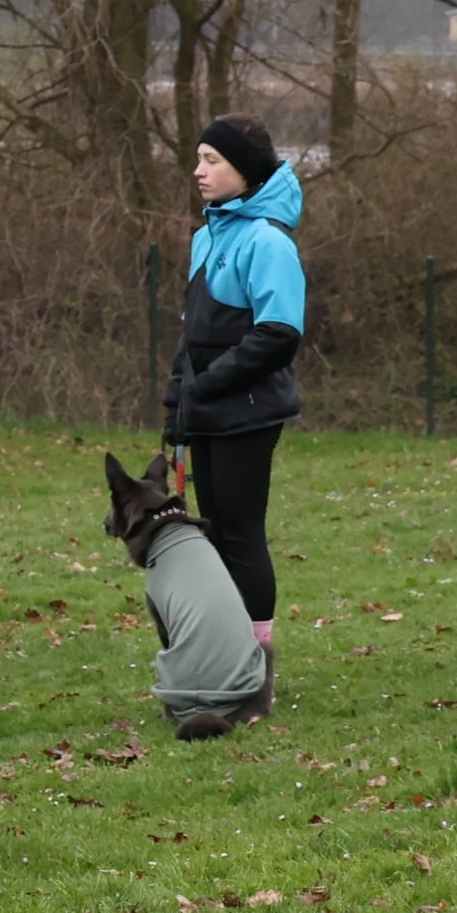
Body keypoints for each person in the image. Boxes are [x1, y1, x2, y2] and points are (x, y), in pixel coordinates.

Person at [169, 115, 302, 656]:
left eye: (212, 160)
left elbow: (279, 334)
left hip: (248, 412)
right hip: (206, 411)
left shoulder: (268, 241)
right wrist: (177, 401)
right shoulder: (206, 237)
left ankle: (256, 664)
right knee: (214, 535)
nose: (198, 171)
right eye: (199, 159)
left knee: (241, 537)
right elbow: (192, 334)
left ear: (244, 170)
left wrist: (206, 385)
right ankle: (225, 656)